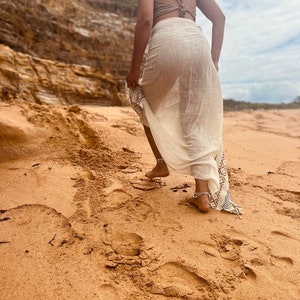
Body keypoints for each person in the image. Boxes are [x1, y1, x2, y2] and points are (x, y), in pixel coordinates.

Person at [126, 0, 242, 215]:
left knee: (144, 102)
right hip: (198, 45)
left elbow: (145, 21)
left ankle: (161, 164)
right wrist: (214, 59)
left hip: (166, 40)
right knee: (195, 118)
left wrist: (134, 68)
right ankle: (202, 195)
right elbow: (220, 18)